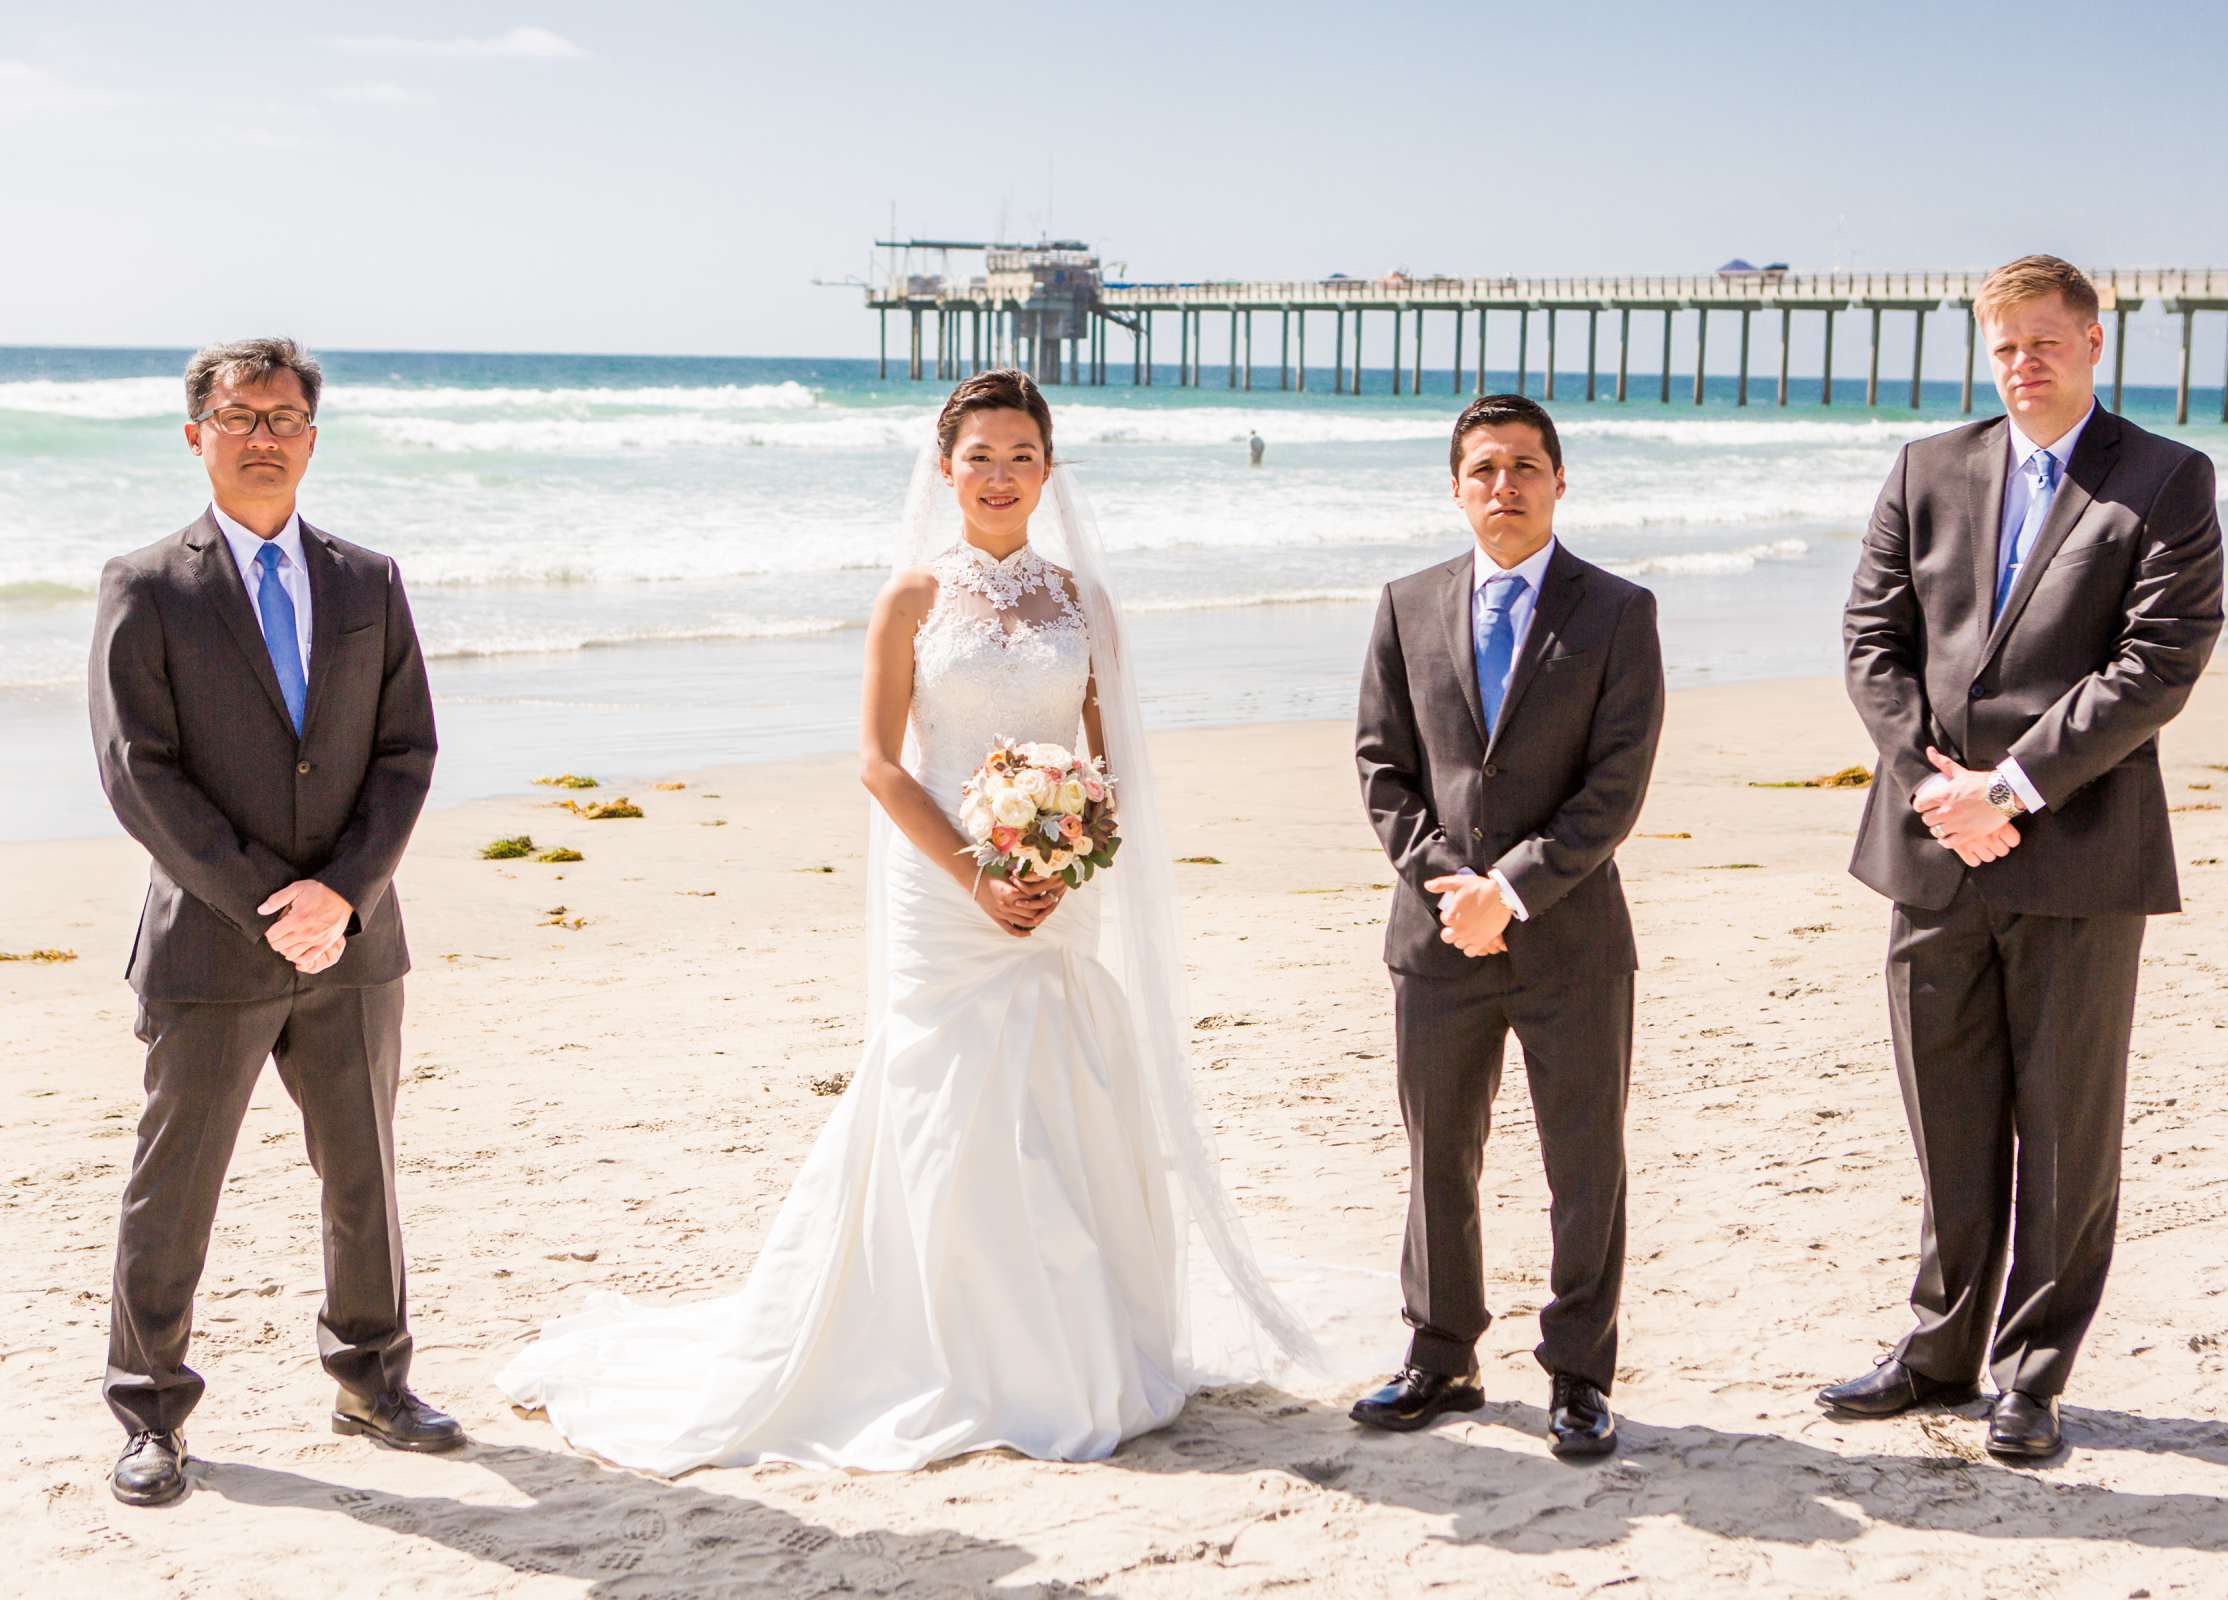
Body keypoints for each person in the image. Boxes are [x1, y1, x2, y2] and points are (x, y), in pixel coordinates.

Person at [498, 370, 1317, 1473]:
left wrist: (1067, 854)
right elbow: (881, 765)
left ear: (1048, 468)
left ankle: (1069, 1347)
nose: (999, 473)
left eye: (1021, 453)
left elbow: (1109, 752)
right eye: (978, 454)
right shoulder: (912, 598)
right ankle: (938, 1346)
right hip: (945, 887)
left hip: (1056, 884)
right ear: (945, 469)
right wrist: (981, 872)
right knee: (944, 1095)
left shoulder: (1084, 602)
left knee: (1058, 1088)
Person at [1823, 255, 2226, 1461]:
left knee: (2064, 1124)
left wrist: (2014, 785)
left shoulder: (2163, 479)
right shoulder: (1925, 469)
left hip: (2077, 850)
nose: (2023, 363)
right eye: (2004, 344)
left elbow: (2158, 661)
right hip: (1933, 846)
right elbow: (1871, 640)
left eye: (2046, 341)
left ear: (2095, 344)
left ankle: (2032, 1372)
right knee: (1945, 1110)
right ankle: (1940, 1346)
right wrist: (1938, 784)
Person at [88, 337, 454, 1508]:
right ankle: (150, 1413)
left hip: (354, 939)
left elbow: (407, 755)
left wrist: (344, 892)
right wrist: (265, 900)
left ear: (312, 435)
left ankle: (372, 1378)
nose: (263, 435)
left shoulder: (369, 580)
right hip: (210, 941)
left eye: (284, 416)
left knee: (364, 1176)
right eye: (239, 416)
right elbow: (136, 771)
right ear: (195, 434)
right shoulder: (147, 584)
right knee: (174, 1182)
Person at [1351, 393, 1665, 1459]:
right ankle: (1440, 1356)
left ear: (1559, 481)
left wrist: (1514, 889)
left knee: (1585, 1162)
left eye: (1525, 466)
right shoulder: (1404, 605)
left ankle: (1579, 1374)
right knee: (1442, 1152)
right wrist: (1454, 890)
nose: (1504, 486)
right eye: (1483, 469)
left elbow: (1615, 786)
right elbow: (1384, 769)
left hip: (1572, 937)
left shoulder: (1620, 611)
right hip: (1436, 937)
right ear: (1455, 486)